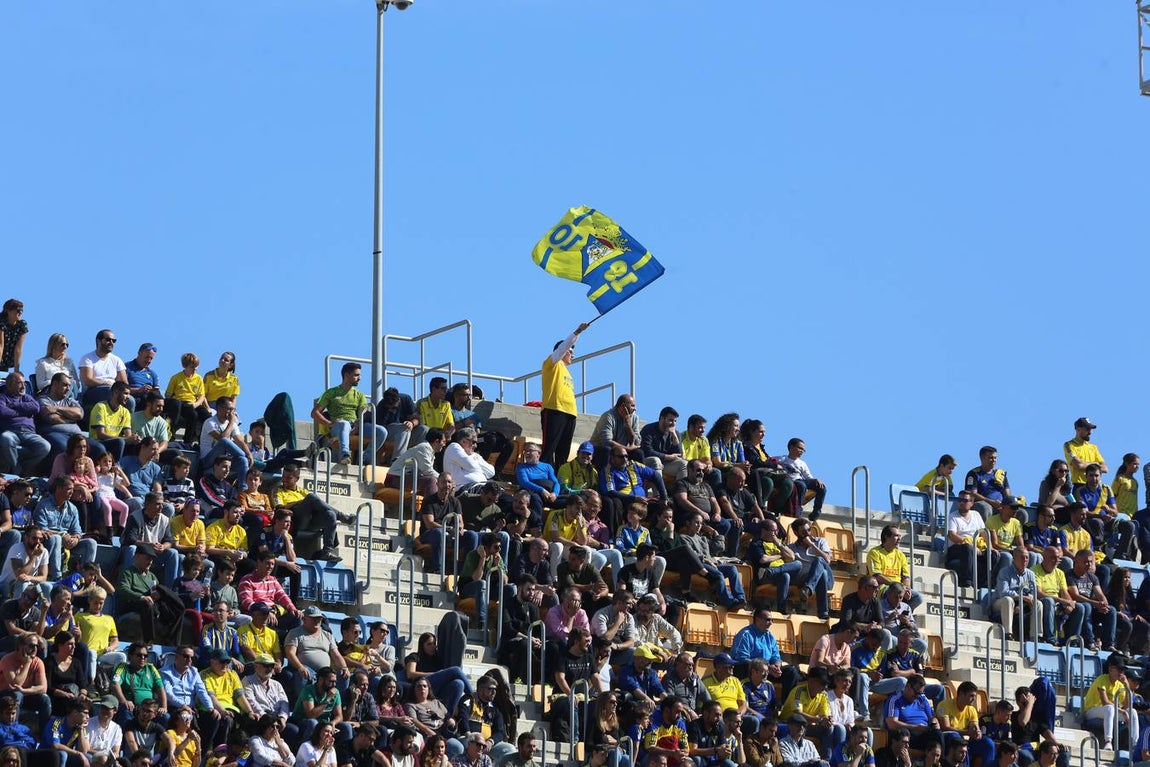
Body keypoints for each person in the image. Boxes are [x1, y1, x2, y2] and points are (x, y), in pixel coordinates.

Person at [311, 363, 389, 466]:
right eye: (356, 375)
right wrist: (329, 423)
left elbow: (363, 411)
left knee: (381, 431)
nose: (359, 378)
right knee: (344, 424)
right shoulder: (331, 393)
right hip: (338, 426)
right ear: (347, 375)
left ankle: (366, 458)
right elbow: (315, 413)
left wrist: (357, 425)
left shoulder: (359, 395)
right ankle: (345, 454)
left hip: (355, 425)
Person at [275, 463, 351, 562]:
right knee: (311, 497)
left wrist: (304, 502)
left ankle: (327, 551)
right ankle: (341, 516)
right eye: (283, 476)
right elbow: (279, 508)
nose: (284, 480)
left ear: (297, 479)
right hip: (295, 519)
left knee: (330, 514)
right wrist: (298, 503)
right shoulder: (278, 490)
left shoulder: (302, 491)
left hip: (311, 521)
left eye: (288, 478)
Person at [539, 323, 589, 470]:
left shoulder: (567, 372)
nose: (573, 354)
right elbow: (563, 347)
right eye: (570, 351)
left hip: (570, 413)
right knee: (549, 448)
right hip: (554, 409)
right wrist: (577, 332)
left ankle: (560, 478)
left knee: (563, 451)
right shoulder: (551, 364)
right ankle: (545, 477)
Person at [34, 475, 96, 581]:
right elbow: (41, 529)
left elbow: (77, 531)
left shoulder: (73, 508)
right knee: (56, 538)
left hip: (68, 543)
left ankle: (83, 578)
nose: (72, 492)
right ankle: (56, 577)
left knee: (91, 543)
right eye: (68, 489)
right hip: (48, 541)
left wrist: (76, 539)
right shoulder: (43, 505)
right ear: (58, 488)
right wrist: (62, 536)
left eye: (72, 489)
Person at [1082, 654, 1137, 751]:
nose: (1121, 673)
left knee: (1132, 712)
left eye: (1123, 670)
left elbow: (1126, 706)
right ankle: (1108, 742)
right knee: (1109, 708)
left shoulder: (1120, 685)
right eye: (1119, 669)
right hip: (1091, 711)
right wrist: (1123, 712)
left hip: (1109, 713)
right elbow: (1105, 702)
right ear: (1111, 669)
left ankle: (1134, 744)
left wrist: (1127, 686)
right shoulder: (1102, 679)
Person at [1030, 546, 1083, 645]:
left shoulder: (1060, 573)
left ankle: (1073, 642)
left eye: (1058, 558)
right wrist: (1063, 601)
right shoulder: (1034, 571)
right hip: (1042, 601)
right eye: (1053, 558)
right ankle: (1050, 638)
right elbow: (1039, 593)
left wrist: (1070, 603)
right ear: (1044, 558)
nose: (1056, 560)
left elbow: (1064, 592)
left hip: (1058, 602)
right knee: (1049, 601)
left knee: (1080, 607)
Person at [200, 396, 254, 490]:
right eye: (228, 409)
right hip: (208, 460)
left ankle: (243, 491)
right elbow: (222, 439)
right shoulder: (210, 422)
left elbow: (240, 441)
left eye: (232, 409)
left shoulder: (232, 424)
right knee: (225, 441)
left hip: (225, 461)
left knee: (243, 460)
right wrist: (231, 422)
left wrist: (249, 454)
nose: (231, 412)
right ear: (219, 408)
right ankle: (243, 455)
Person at [747, 519, 800, 614]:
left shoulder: (778, 542)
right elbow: (763, 559)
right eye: (773, 531)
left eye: (777, 531)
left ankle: (781, 609)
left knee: (797, 565)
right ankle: (770, 572)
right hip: (764, 576)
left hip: (775, 573)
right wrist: (780, 555)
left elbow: (791, 557)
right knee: (786, 574)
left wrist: (779, 545)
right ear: (764, 531)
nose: (776, 533)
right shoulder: (756, 544)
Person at [0, 373, 49, 475]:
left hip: (29, 433)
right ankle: (16, 470)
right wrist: (24, 412)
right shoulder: (3, 397)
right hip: (11, 431)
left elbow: (36, 408)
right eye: (19, 383)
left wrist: (14, 405)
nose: (23, 386)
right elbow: (3, 412)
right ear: (9, 385)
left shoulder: (26, 397)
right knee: (5, 438)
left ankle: (25, 468)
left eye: (24, 383)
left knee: (45, 446)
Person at [35, 372, 87, 460]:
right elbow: (51, 418)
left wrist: (57, 408)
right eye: (65, 385)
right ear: (55, 384)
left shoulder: (70, 401)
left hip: (76, 436)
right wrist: (71, 419)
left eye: (69, 386)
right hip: (54, 434)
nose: (68, 389)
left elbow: (79, 414)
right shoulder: (43, 399)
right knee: (64, 446)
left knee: (98, 448)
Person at [992, 548, 1040, 642]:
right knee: (1008, 600)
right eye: (1022, 557)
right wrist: (1022, 598)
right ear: (1014, 558)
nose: (1025, 560)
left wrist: (1022, 604)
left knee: (1038, 603)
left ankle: (1035, 636)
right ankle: (1008, 633)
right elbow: (1004, 592)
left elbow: (1033, 593)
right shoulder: (1004, 572)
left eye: (1027, 557)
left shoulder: (1030, 574)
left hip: (1022, 603)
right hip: (1001, 603)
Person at [945, 491, 990, 588]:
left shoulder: (976, 515)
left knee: (993, 555)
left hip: (976, 546)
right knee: (967, 548)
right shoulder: (952, 516)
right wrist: (970, 545)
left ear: (972, 502)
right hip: (957, 547)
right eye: (959, 500)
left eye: (964, 500)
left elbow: (983, 533)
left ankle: (985, 585)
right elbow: (952, 535)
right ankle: (967, 582)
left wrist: (991, 547)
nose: (961, 502)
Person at [883, 675, 939, 750]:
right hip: (908, 734)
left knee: (939, 734)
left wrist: (934, 723)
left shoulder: (922, 698)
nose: (918, 696)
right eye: (916, 693)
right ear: (908, 687)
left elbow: (932, 717)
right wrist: (916, 727)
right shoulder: (895, 700)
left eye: (921, 693)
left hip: (924, 733)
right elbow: (892, 724)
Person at [386, 427, 444, 497]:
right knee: (431, 481)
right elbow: (427, 470)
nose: (444, 444)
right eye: (443, 441)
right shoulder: (423, 448)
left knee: (437, 484)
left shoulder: (429, 451)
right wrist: (443, 478)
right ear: (436, 441)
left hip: (404, 477)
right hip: (394, 479)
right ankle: (432, 504)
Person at [78, 330, 128, 412]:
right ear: (98, 341)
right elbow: (88, 380)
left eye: (114, 341)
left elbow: (124, 383)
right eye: (108, 340)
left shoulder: (117, 360)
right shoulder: (87, 358)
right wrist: (105, 383)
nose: (111, 343)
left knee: (131, 401)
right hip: (92, 392)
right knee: (109, 391)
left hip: (113, 390)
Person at [777, 438, 827, 521]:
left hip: (800, 480)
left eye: (803, 450)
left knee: (821, 487)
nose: (802, 451)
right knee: (801, 485)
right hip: (791, 481)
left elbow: (808, 477)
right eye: (800, 448)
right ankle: (797, 512)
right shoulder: (781, 459)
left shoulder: (802, 463)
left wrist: (815, 480)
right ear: (791, 447)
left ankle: (816, 512)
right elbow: (769, 461)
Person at [88, 380, 136, 462]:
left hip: (115, 443)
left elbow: (128, 436)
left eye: (129, 394)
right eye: (125, 393)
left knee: (136, 446)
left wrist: (134, 439)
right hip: (98, 441)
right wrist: (124, 439)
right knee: (120, 442)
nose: (128, 397)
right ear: (115, 393)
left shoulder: (125, 412)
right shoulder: (100, 407)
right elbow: (101, 435)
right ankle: (115, 466)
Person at [964, 446, 1011, 521]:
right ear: (982, 458)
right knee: (985, 508)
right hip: (982, 505)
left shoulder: (1000, 474)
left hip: (1001, 507)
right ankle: (985, 528)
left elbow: (1008, 494)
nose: (993, 460)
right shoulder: (974, 474)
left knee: (1021, 512)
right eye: (991, 458)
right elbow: (972, 494)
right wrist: (991, 502)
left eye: (995, 458)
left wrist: (1007, 505)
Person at [641, 407, 686, 479]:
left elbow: (679, 455)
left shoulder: (675, 433)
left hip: (666, 463)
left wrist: (674, 436)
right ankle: (659, 486)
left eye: (675, 421)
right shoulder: (648, 429)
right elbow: (647, 451)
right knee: (656, 460)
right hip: (648, 462)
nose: (673, 424)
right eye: (671, 420)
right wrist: (667, 457)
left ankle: (681, 486)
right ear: (662, 419)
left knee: (684, 464)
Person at [45, 699, 92, 767]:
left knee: (88, 757)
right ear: (75, 712)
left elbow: (84, 750)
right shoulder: (57, 722)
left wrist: (81, 729)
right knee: (62, 754)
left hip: (67, 756)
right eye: (85, 713)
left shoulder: (79, 726)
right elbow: (55, 745)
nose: (88, 717)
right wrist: (78, 753)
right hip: (47, 756)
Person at [1063, 417, 1106, 490]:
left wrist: (1084, 464)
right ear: (1078, 429)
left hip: (1096, 486)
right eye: (1087, 429)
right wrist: (1096, 464)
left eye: (1091, 429)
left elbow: (1105, 468)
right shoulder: (1069, 445)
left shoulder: (1093, 447)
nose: (1090, 432)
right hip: (1080, 485)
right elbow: (1078, 465)